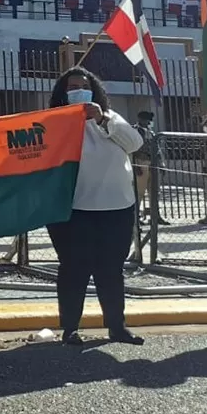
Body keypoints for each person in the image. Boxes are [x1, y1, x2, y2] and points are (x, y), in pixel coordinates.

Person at [46, 67, 145, 346]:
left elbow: (135, 143)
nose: (77, 89)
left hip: (116, 206)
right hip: (72, 209)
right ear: (62, 93)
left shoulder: (110, 118)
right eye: (71, 86)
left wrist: (102, 119)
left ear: (95, 90)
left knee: (111, 269)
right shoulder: (53, 121)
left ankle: (117, 326)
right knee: (73, 269)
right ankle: (70, 328)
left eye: (83, 84)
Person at [134, 110, 168, 226]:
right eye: (147, 120)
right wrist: (135, 165)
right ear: (141, 120)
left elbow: (157, 149)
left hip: (153, 164)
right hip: (141, 162)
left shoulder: (151, 132)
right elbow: (131, 150)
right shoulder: (134, 131)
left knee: (154, 192)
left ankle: (155, 216)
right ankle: (136, 217)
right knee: (139, 192)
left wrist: (162, 164)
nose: (148, 122)